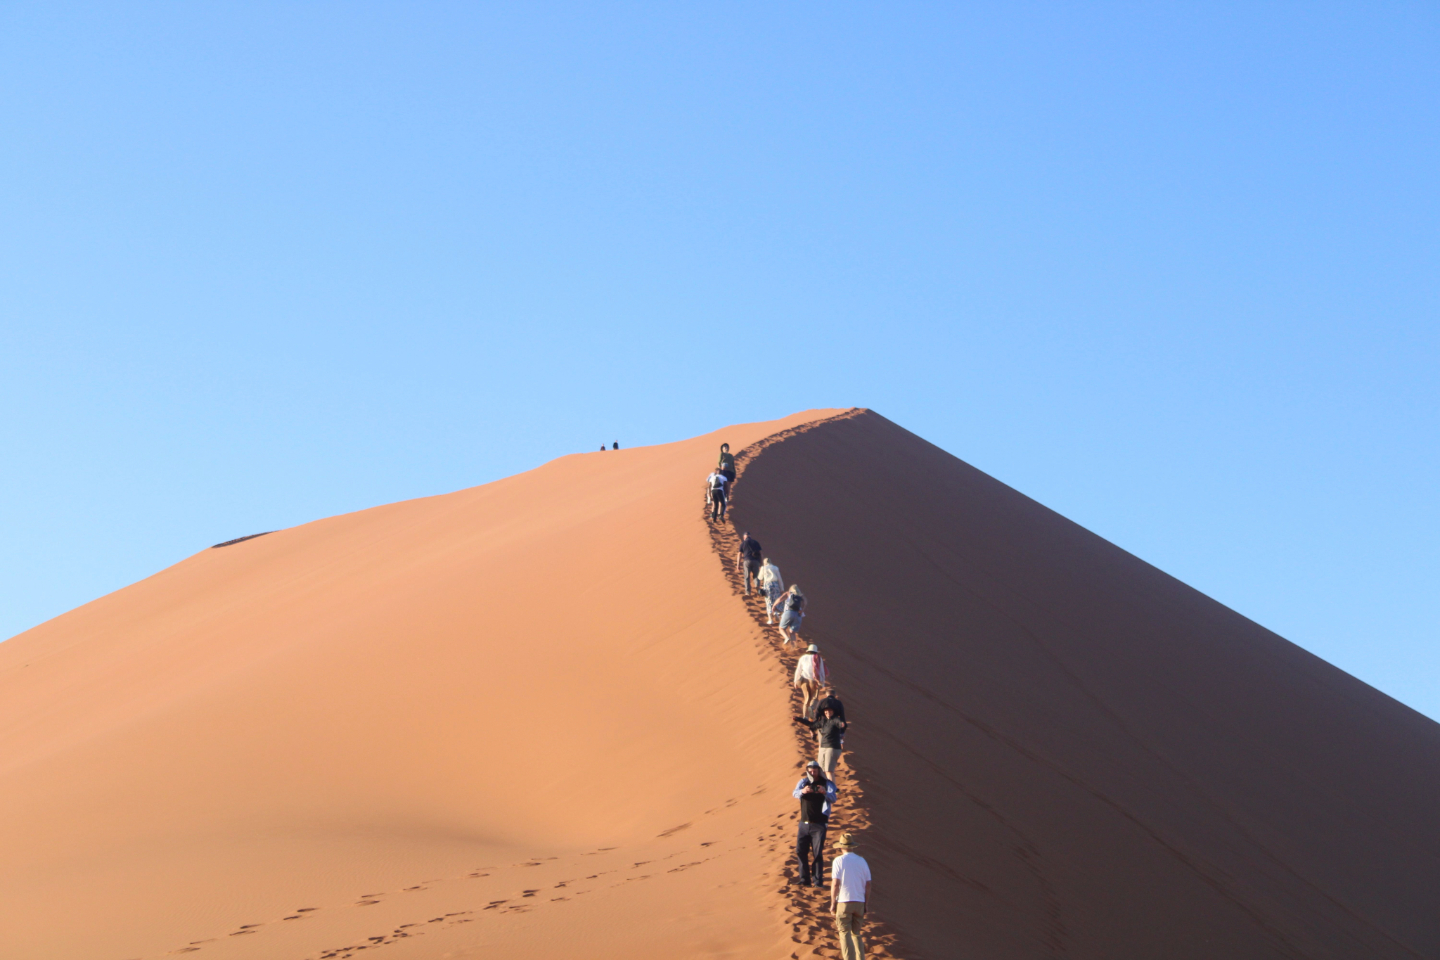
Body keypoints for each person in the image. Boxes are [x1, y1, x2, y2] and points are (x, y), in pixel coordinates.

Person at [792, 760, 837, 887]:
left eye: (814, 770)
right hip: (804, 824)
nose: (812, 772)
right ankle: (804, 879)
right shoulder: (803, 782)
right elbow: (794, 793)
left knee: (817, 853)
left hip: (819, 825)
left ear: (819, 770)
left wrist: (825, 792)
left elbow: (834, 798)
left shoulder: (827, 783)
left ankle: (817, 881)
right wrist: (803, 791)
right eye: (810, 770)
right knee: (800, 851)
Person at [830, 833, 872, 960]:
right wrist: (865, 904)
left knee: (844, 933)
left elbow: (835, 883)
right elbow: (868, 884)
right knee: (856, 934)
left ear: (841, 847)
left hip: (844, 901)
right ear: (852, 846)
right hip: (859, 901)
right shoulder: (862, 861)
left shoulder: (838, 861)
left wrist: (833, 903)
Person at [796, 704, 847, 777]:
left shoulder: (835, 719)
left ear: (833, 712)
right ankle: (824, 787)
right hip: (823, 747)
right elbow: (812, 725)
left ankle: (832, 788)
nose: (828, 712)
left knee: (829, 770)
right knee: (821, 770)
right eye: (826, 710)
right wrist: (799, 719)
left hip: (832, 747)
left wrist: (841, 724)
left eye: (830, 710)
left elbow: (839, 723)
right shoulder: (823, 722)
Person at [792, 643, 828, 718]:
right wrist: (822, 683)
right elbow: (822, 671)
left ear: (808, 650)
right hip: (814, 681)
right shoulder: (818, 658)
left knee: (807, 698)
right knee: (814, 698)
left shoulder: (803, 657)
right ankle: (811, 708)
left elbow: (798, 670)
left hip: (803, 680)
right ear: (816, 651)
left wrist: (795, 681)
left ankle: (805, 716)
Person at [757, 557, 785, 624]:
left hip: (767, 585)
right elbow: (780, 579)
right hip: (776, 585)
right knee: (776, 600)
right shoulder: (775, 568)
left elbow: (760, 577)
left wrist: (760, 570)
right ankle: (776, 613)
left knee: (768, 601)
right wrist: (782, 589)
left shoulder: (763, 568)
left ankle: (770, 619)